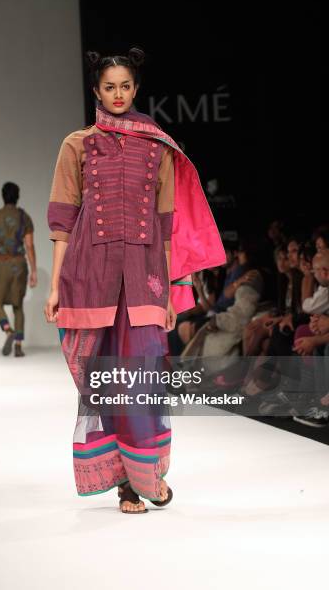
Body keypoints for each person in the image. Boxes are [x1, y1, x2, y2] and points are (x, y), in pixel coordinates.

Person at [44, 47, 225, 514]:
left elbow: (165, 225)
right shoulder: (76, 144)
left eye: (125, 86)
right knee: (103, 378)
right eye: (109, 87)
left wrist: (168, 289)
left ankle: (145, 475)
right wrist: (53, 285)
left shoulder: (157, 147)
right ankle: (125, 483)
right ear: (95, 91)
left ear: (136, 89)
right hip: (91, 276)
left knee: (140, 377)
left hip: (144, 277)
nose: (118, 94)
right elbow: (63, 220)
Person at [0, 181, 37, 356]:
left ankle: (8, 331)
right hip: (19, 264)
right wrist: (34, 270)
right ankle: (19, 346)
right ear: (17, 197)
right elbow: (29, 245)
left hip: (1, 264)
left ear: (3, 196)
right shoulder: (24, 217)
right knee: (18, 305)